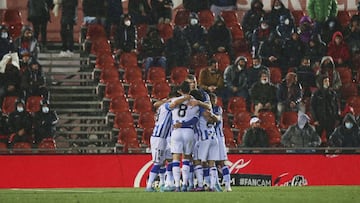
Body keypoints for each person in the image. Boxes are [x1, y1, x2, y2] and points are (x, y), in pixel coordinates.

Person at [145, 90, 188, 192]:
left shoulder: (163, 106)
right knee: (158, 162)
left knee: (169, 159)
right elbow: (174, 103)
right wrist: (186, 97)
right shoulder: (167, 106)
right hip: (158, 138)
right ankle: (149, 186)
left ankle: (166, 184)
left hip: (164, 138)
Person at [170, 81, 200, 192]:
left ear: (180, 91)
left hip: (176, 130)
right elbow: (195, 119)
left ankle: (177, 185)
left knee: (176, 159)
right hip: (188, 131)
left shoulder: (174, 101)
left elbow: (170, 107)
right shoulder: (194, 102)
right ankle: (185, 185)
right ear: (190, 90)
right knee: (187, 158)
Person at [191, 90, 220, 192]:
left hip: (204, 139)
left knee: (197, 161)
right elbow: (215, 119)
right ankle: (212, 186)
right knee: (212, 163)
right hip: (213, 138)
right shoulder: (209, 108)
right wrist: (212, 116)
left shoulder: (199, 108)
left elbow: (204, 116)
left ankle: (200, 185)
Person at [209, 93, 232, 192]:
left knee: (222, 162)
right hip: (210, 137)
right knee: (212, 163)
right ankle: (215, 185)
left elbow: (216, 120)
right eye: (211, 99)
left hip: (218, 137)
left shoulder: (217, 109)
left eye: (214, 99)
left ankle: (227, 186)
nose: (213, 101)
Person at [311, 75, 340, 140]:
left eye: (328, 81)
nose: (327, 82)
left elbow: (336, 105)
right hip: (320, 119)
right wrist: (315, 119)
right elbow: (312, 107)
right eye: (325, 81)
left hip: (330, 119)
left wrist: (337, 117)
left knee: (331, 137)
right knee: (317, 138)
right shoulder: (316, 94)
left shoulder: (332, 93)